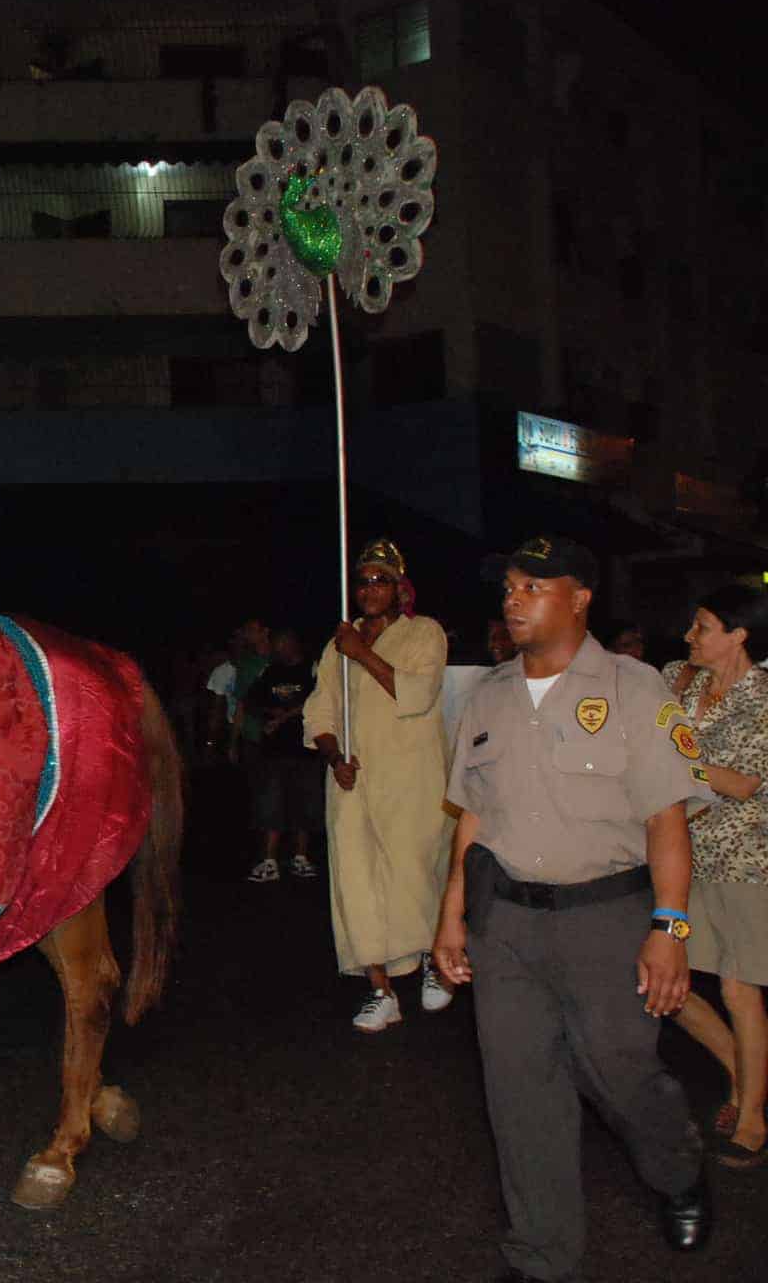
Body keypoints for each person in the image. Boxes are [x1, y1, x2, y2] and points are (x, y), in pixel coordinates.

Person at [432, 535, 713, 1279]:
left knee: (622, 1073)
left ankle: (678, 1172)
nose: (513, 599)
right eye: (509, 587)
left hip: (608, 917)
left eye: (533, 586)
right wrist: (451, 914)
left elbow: (667, 820)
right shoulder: (488, 694)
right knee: (520, 1092)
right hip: (509, 925)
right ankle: (541, 1255)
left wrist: (670, 928)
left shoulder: (634, 686)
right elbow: (474, 818)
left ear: (580, 596)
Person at [301, 539, 453, 1030]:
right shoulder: (337, 644)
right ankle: (380, 990)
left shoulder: (424, 633)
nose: (370, 589)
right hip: (352, 779)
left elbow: (417, 692)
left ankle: (434, 963)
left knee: (412, 870)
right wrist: (333, 755)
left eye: (380, 580)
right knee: (355, 877)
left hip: (411, 779)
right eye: (363, 580)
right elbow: (319, 711)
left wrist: (361, 653)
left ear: (399, 589)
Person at [662, 586, 768, 1169]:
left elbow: (743, 783)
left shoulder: (764, 699)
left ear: (739, 634)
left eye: (702, 626)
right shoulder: (680, 677)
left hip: (744, 859)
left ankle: (750, 1114)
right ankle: (742, 1065)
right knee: (665, 982)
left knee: (737, 987)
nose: (689, 635)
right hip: (679, 850)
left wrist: (676, 762)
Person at [241, 628, 321, 882]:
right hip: (274, 752)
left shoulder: (312, 668)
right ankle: (269, 861)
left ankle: (300, 857)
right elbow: (250, 700)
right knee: (271, 805)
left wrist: (286, 716)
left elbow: (319, 700)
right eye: (276, 645)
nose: (278, 648)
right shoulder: (270, 671)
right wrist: (269, 713)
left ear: (294, 643)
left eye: (282, 643)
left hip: (305, 750)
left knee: (305, 805)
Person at [224, 617, 272, 765]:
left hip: (277, 735)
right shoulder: (246, 664)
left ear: (265, 632)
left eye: (252, 630)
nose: (247, 635)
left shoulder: (279, 659)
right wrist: (233, 742)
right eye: (247, 631)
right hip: (252, 736)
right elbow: (240, 704)